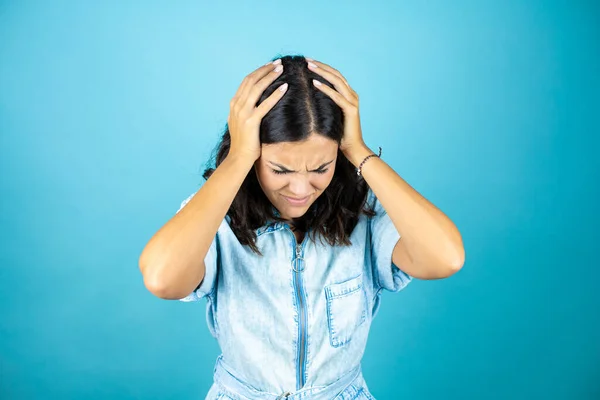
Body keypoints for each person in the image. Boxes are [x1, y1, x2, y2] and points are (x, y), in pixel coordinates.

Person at [138, 55, 465, 399]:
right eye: (281, 170)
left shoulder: (365, 211)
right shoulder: (216, 216)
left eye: (320, 168)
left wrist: (359, 150)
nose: (300, 189)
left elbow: (445, 257)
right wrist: (237, 157)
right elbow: (162, 279)